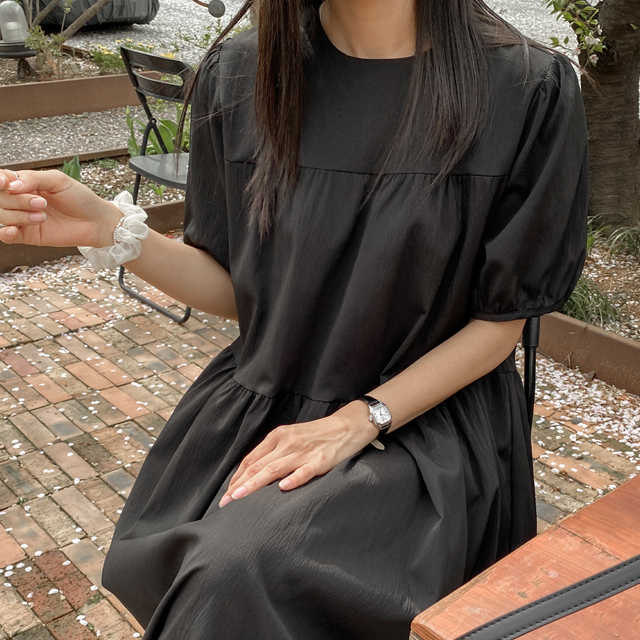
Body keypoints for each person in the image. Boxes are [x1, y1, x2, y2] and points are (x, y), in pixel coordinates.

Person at [0, 0, 588, 637]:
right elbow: (241, 290)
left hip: (426, 429)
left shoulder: (526, 87)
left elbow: (499, 325)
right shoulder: (241, 74)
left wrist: (359, 421)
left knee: (235, 575)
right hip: (269, 399)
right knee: (177, 567)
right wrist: (110, 230)